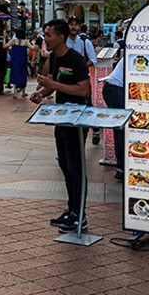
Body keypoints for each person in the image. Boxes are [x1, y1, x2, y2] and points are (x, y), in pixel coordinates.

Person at [30, 19, 92, 234]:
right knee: (65, 164)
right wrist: (41, 93)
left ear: (61, 37)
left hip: (77, 119)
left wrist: (53, 85)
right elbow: (52, 84)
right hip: (61, 118)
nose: (45, 39)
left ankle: (80, 215)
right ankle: (72, 209)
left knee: (76, 166)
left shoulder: (76, 59)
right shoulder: (55, 57)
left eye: (48, 35)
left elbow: (83, 90)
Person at [100, 42, 126, 181]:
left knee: (121, 129)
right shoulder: (135, 56)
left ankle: (122, 166)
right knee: (121, 129)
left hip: (112, 88)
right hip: (115, 90)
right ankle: (121, 168)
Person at [8, 28, 30, 98]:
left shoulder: (13, 41)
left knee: (15, 74)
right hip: (23, 60)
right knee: (23, 73)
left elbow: (5, 46)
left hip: (15, 60)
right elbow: (33, 48)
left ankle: (15, 93)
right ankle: (23, 92)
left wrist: (4, 38)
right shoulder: (25, 42)